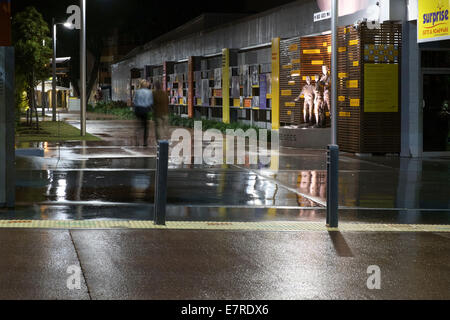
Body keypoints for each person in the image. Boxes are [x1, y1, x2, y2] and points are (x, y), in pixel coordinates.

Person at [133, 79, 154, 146]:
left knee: (138, 126)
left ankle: (137, 140)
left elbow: (134, 101)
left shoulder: (137, 92)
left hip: (138, 109)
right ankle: (145, 142)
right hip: (145, 110)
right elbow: (151, 102)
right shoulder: (149, 92)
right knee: (145, 127)